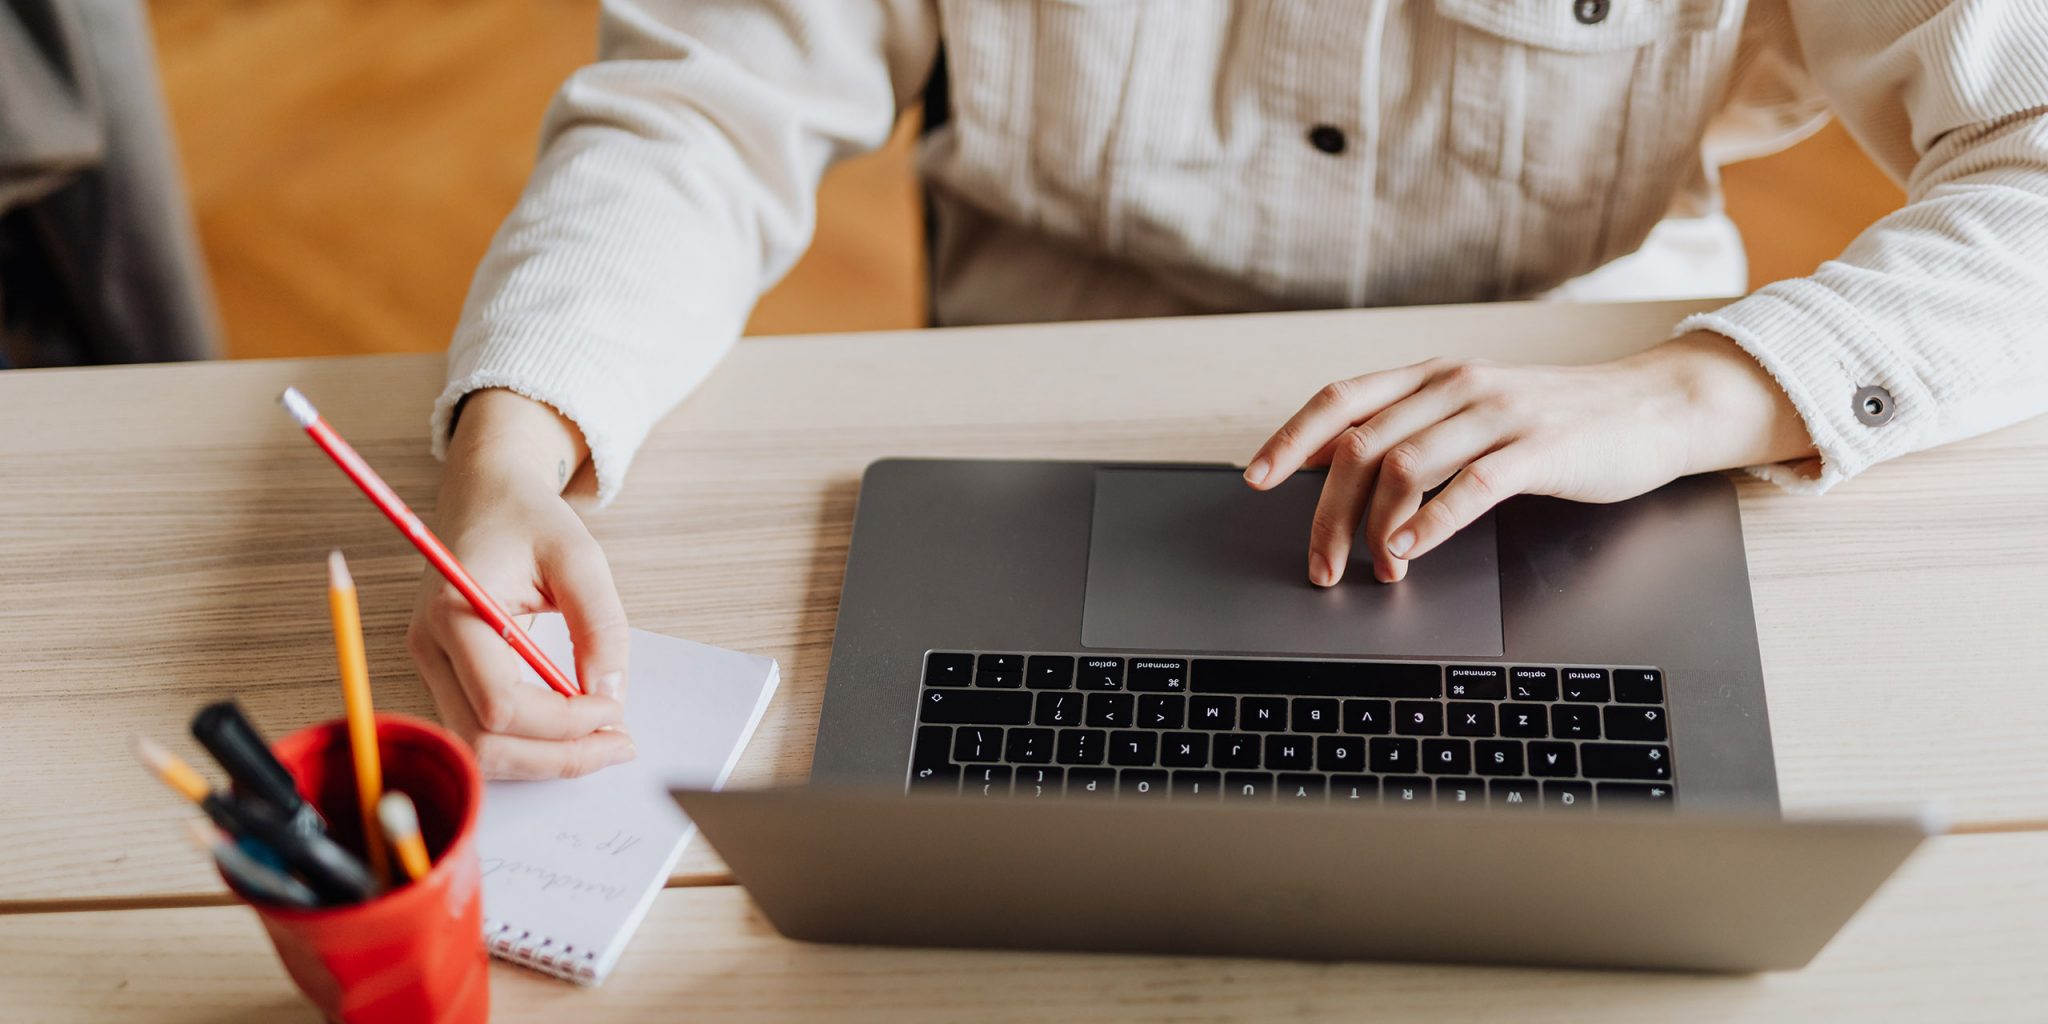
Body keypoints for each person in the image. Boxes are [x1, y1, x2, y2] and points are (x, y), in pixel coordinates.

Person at [409, 0, 2048, 779]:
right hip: (1032, 411)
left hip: (1583, 426)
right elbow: (705, 113)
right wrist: (517, 451)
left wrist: (1705, 389)